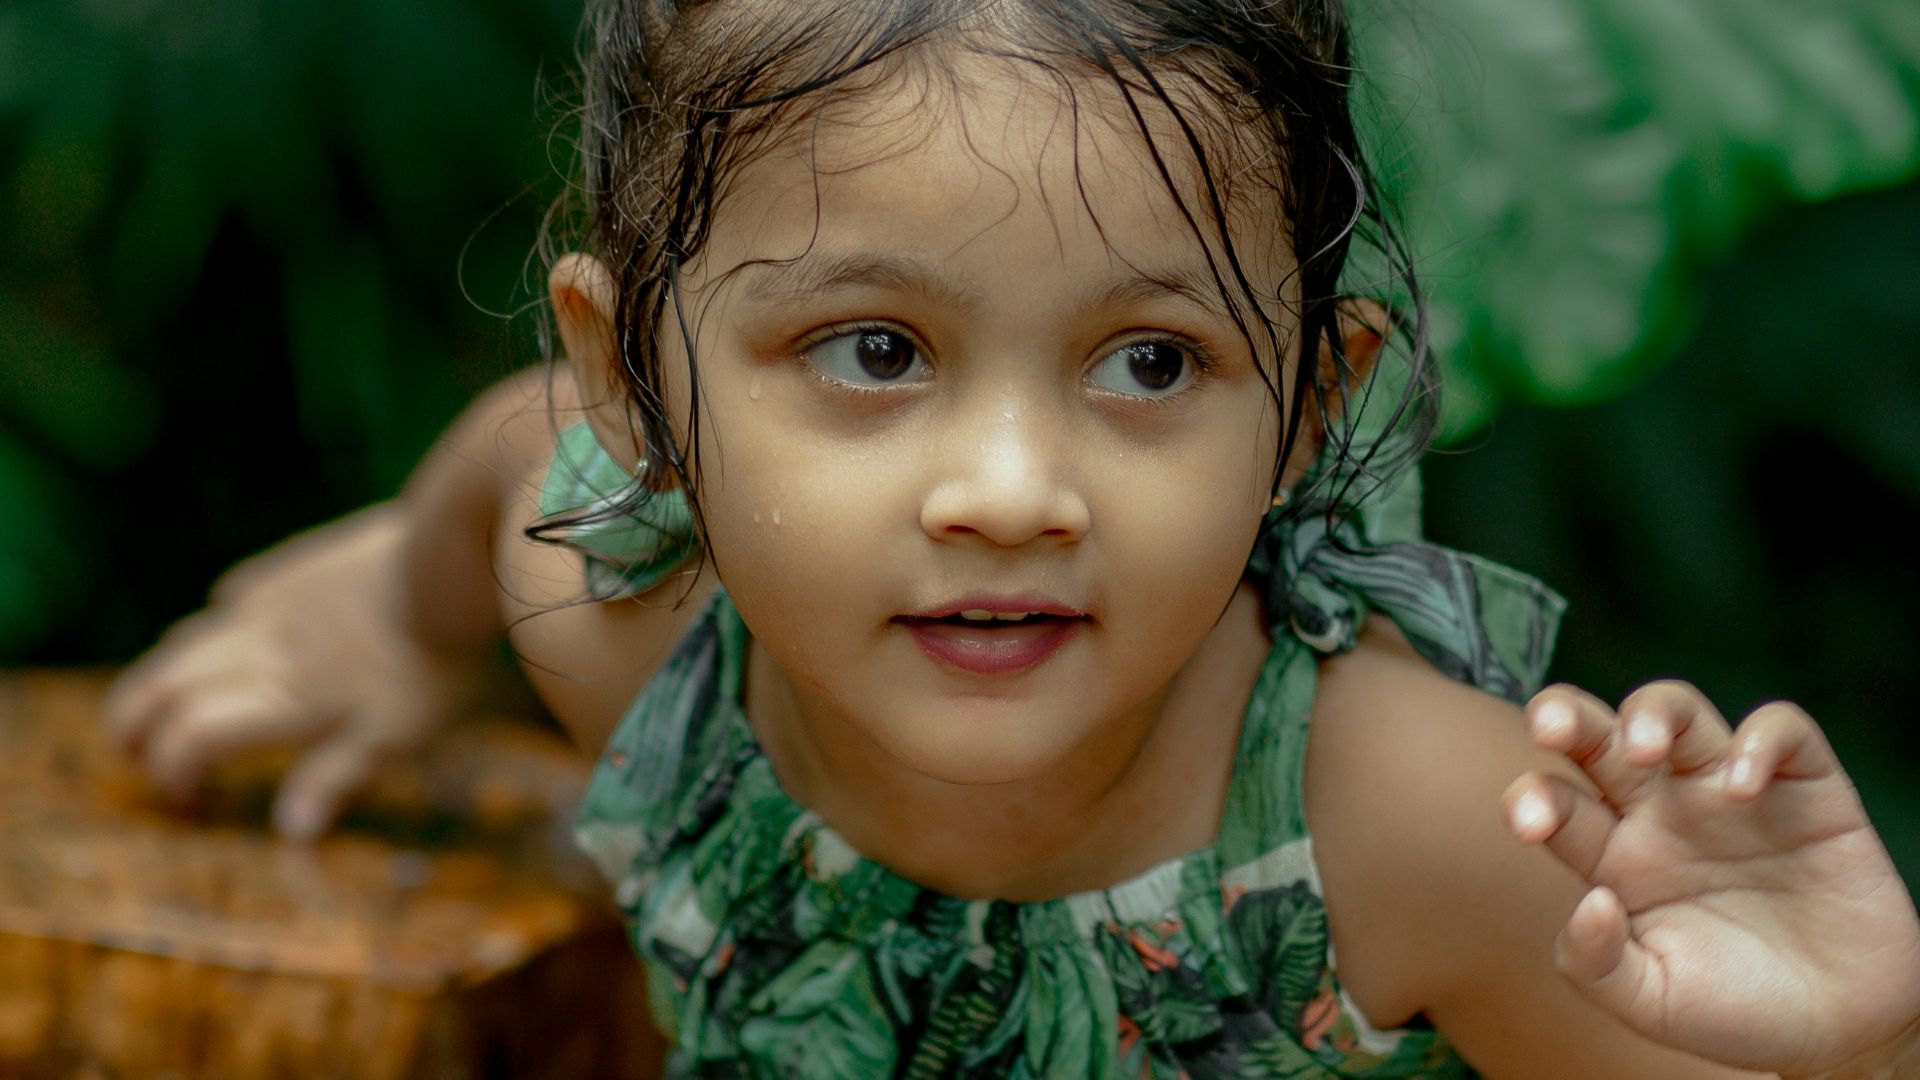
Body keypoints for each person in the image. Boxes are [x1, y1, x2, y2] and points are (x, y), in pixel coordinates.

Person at [101, 1, 1920, 1076]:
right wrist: (393, 621)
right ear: (642, 388)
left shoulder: (1415, 829)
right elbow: (512, 456)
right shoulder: (618, 610)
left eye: (1150, 360)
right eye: (875, 353)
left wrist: (1852, 1047)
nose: (1010, 487)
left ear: (1306, 404)